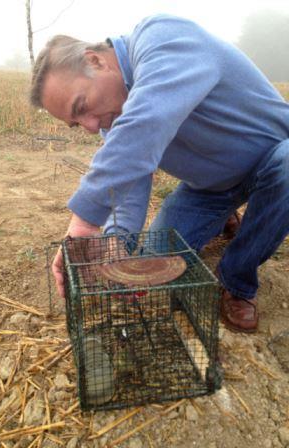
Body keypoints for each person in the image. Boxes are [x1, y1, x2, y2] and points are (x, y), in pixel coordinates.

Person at [30, 14, 289, 333]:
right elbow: (127, 190)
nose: (90, 126)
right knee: (155, 262)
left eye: (81, 106)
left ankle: (237, 282)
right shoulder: (114, 122)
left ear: (96, 61)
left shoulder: (162, 39)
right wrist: (116, 242)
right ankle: (223, 215)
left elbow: (146, 125)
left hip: (274, 159)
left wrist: (85, 221)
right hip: (211, 188)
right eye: (76, 123)